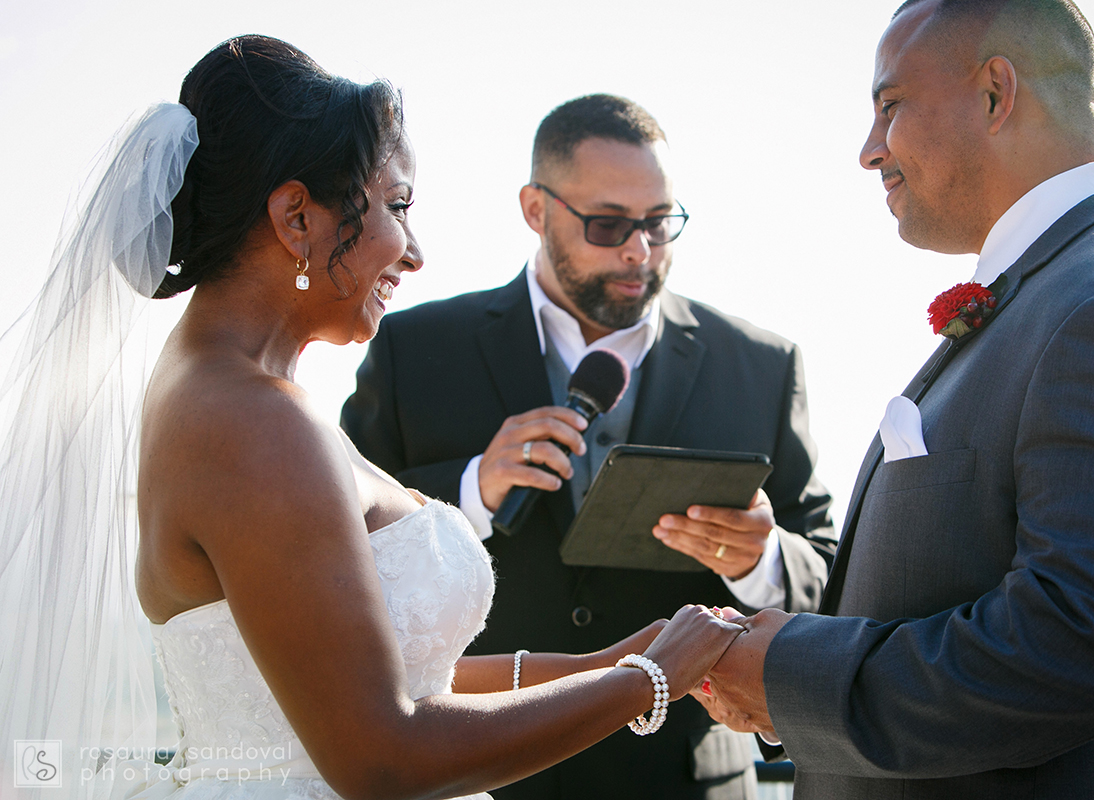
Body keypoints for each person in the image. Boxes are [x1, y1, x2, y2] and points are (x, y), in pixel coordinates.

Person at [0, 36, 748, 800]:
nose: (415, 253)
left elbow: (386, 673)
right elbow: (383, 758)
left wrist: (616, 660)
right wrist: (650, 681)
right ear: (296, 218)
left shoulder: (233, 395)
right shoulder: (250, 423)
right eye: (397, 206)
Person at [696, 1, 1094, 798]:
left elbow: (1090, 640)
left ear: (997, 94)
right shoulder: (1054, 294)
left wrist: (794, 675)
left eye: (888, 106)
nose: (869, 152)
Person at [340, 94, 837, 800]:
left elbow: (829, 570)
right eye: (608, 225)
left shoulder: (762, 365)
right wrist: (471, 490)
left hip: (686, 783)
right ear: (536, 210)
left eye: (660, 224)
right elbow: (337, 549)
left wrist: (763, 559)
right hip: (483, 773)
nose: (641, 250)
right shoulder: (412, 351)